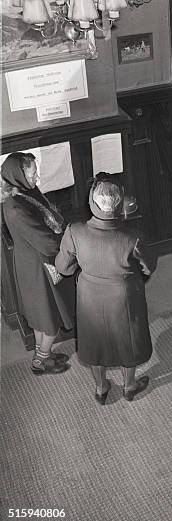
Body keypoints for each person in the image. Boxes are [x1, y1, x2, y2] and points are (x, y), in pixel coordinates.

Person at [55, 174, 156, 404]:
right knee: (128, 338)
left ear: (92, 202)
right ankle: (129, 386)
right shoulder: (133, 237)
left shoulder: (74, 231)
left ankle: (101, 388)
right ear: (119, 205)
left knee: (94, 341)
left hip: (90, 295)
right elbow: (150, 267)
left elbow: (64, 268)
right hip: (125, 296)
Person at [1, 152, 73, 375]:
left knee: (41, 319)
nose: (37, 178)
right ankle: (40, 362)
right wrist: (69, 241)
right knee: (49, 321)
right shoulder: (15, 208)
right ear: (18, 175)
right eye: (33, 174)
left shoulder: (23, 192)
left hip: (32, 263)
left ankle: (44, 355)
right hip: (37, 267)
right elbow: (46, 243)